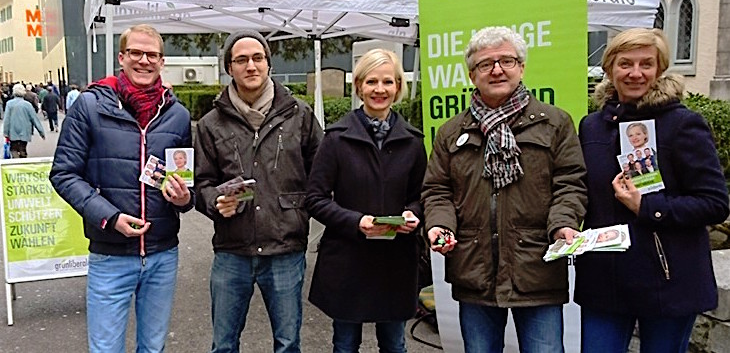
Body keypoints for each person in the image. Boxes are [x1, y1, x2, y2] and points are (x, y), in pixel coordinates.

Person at [421, 26, 587, 353]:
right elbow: (437, 189)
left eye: (507, 61)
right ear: (472, 74)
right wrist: (440, 224)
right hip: (475, 272)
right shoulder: (450, 132)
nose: (497, 69)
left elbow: (570, 182)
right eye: (486, 64)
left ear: (521, 67)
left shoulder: (555, 123)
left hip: (537, 267)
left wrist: (564, 223)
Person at [576, 28, 729, 352]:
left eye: (646, 64)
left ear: (660, 69)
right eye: (625, 64)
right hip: (606, 282)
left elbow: (714, 203)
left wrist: (648, 207)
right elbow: (579, 191)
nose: (635, 73)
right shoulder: (591, 126)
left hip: (668, 280)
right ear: (608, 69)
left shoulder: (683, 124)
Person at [49, 24, 195, 353]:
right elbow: (63, 173)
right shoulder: (89, 106)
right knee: (105, 349)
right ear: (121, 57)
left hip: (162, 254)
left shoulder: (177, 115)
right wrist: (110, 217)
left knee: (153, 348)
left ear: (162, 61)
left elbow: (186, 183)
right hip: (110, 254)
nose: (144, 60)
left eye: (152, 54)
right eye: (136, 53)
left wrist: (185, 199)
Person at [194, 29, 323, 353]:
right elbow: (201, 183)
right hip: (231, 249)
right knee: (223, 345)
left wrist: (299, 210)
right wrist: (214, 201)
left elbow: (321, 177)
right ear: (229, 68)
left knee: (288, 343)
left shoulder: (299, 115)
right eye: (241, 60)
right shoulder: (210, 124)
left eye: (257, 58)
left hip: (285, 248)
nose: (250, 66)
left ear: (268, 64)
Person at [305, 48, 427, 352]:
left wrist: (412, 215)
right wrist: (356, 222)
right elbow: (315, 198)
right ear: (358, 86)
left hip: (396, 262)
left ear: (399, 86)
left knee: (394, 344)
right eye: (372, 81)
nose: (380, 89)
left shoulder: (413, 142)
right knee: (345, 345)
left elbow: (422, 197)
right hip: (349, 260)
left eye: (388, 81)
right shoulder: (336, 139)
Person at [3, 83, 45, 158]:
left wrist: (5, 132)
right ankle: (22, 157)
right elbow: (34, 119)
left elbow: (6, 119)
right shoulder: (27, 105)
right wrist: (41, 132)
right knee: (23, 148)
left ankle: (16, 160)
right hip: (25, 131)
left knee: (13, 148)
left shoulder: (9, 104)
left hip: (12, 131)